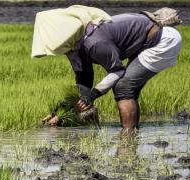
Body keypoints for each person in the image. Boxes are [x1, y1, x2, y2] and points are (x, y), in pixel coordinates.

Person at [43, 10, 182, 131]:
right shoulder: (73, 48)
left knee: (123, 87)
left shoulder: (94, 42)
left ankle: (128, 136)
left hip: (162, 40)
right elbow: (83, 80)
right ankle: (133, 131)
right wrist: (60, 110)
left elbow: (117, 71)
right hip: (145, 41)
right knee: (128, 89)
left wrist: (93, 95)